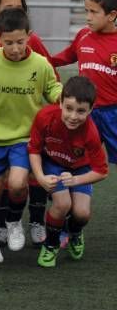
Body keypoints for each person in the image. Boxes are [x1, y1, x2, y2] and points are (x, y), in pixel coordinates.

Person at [0, 8, 62, 263]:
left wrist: (62, 98)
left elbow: (52, 87)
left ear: (29, 37)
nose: (15, 48)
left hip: (25, 137)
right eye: (9, 43)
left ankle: (14, 220)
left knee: (18, 184)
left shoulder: (40, 65)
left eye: (20, 42)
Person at [29, 76, 108, 267]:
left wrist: (75, 180)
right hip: (53, 163)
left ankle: (75, 232)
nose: (73, 116)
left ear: (91, 109)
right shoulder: (44, 117)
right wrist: (40, 177)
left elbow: (101, 171)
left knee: (81, 214)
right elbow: (34, 150)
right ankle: (51, 245)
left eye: (81, 111)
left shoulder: (91, 132)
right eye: (68, 108)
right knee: (62, 204)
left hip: (80, 169)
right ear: (60, 102)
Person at [51, 0, 117, 165]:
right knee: (75, 157)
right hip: (85, 111)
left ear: (112, 15)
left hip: (113, 113)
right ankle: (69, 190)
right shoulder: (83, 35)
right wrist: (43, 61)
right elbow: (67, 56)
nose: (88, 17)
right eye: (86, 11)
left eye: (94, 12)